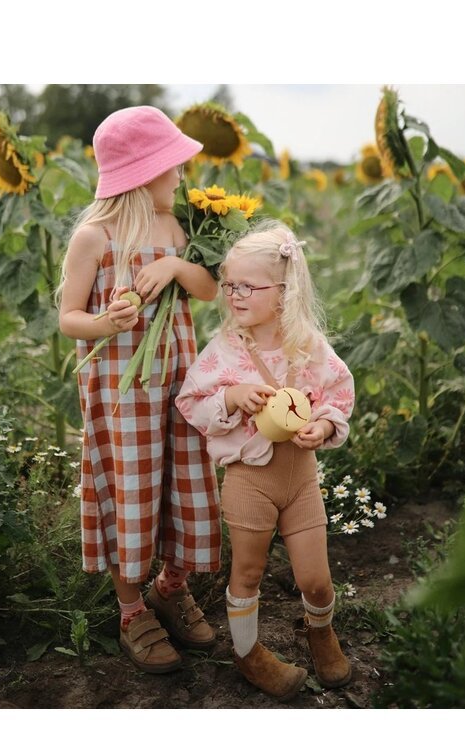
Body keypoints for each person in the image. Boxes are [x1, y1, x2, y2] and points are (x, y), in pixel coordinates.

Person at [58, 106, 221, 674]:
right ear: (142, 172)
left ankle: (169, 587)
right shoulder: (94, 238)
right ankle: (131, 610)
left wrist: (177, 263)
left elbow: (206, 291)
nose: (181, 175)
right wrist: (107, 323)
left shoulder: (175, 228)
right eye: (173, 165)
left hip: (177, 384)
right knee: (132, 492)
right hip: (122, 397)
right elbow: (68, 318)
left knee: (184, 484)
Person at [176, 219, 355, 701]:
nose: (233, 295)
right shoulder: (225, 352)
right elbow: (191, 402)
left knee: (315, 579)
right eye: (229, 284)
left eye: (247, 286)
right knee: (249, 572)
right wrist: (231, 396)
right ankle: (247, 651)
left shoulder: (309, 350)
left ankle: (319, 631)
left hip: (299, 478)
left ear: (283, 292)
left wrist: (323, 424)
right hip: (249, 479)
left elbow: (339, 393)